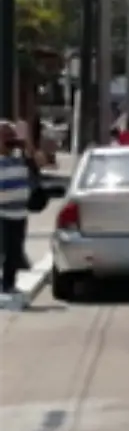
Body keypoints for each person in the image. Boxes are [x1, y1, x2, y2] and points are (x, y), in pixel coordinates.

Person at [0, 120, 41, 309]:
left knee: (14, 252)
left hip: (19, 213)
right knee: (3, 250)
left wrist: (27, 147)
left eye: (11, 134)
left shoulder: (19, 157)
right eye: (4, 135)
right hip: (2, 214)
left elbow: (37, 167)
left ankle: (9, 285)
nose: (9, 139)